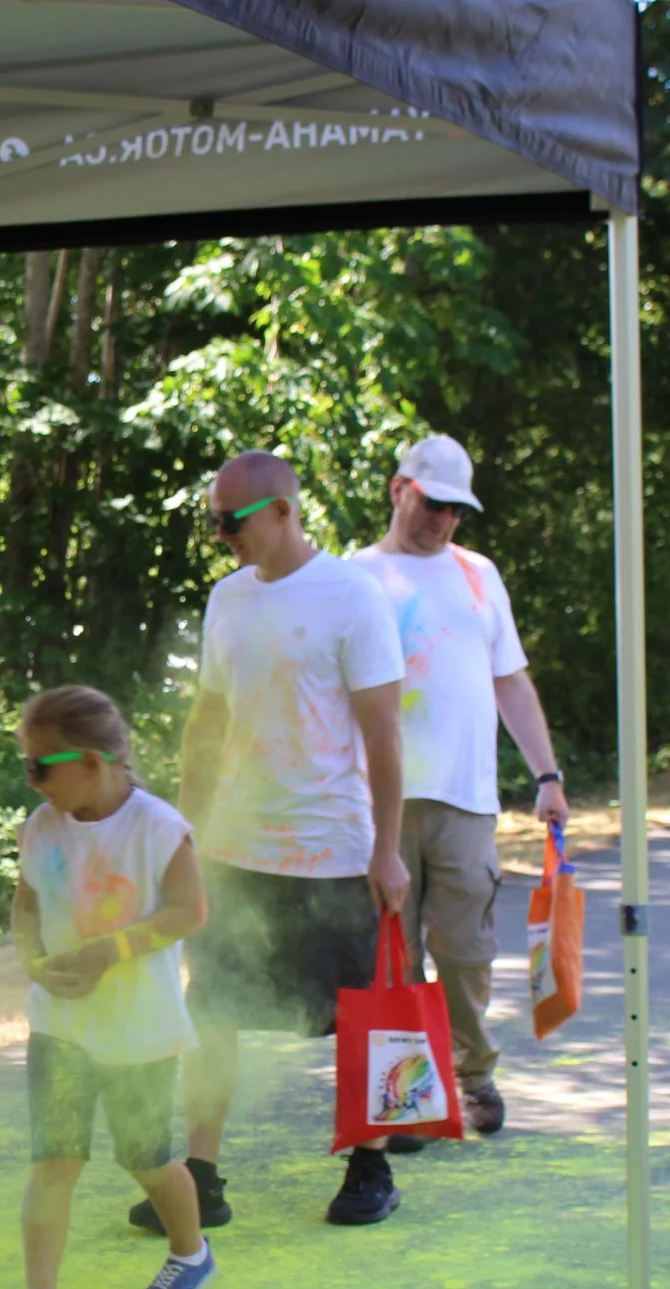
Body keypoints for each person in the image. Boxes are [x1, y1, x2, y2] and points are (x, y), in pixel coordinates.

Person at [131, 450, 408, 1234]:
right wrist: (178, 838)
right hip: (234, 849)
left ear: (283, 511)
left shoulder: (352, 596)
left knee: (362, 1015)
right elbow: (207, 726)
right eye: (213, 520)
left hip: (333, 848)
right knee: (211, 1012)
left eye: (233, 519)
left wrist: (387, 851)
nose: (221, 535)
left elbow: (383, 734)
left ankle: (371, 1165)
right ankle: (203, 1176)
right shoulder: (227, 600)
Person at [352, 435, 566, 1139]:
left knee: (466, 950)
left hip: (467, 797)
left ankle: (474, 1078)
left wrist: (548, 774)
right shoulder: (354, 578)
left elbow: (510, 680)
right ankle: (409, 1098)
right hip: (377, 800)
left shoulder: (479, 576)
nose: (442, 520)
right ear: (398, 489)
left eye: (455, 509)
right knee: (395, 951)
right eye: (431, 503)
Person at [10, 686, 214, 1289]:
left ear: (92, 761)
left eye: (41, 765)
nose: (32, 779)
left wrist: (110, 949)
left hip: (140, 1027)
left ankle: (191, 1252)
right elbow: (27, 910)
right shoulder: (41, 827)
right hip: (61, 1026)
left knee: (144, 1155)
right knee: (53, 1162)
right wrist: (36, 963)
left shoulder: (158, 827)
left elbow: (189, 911)